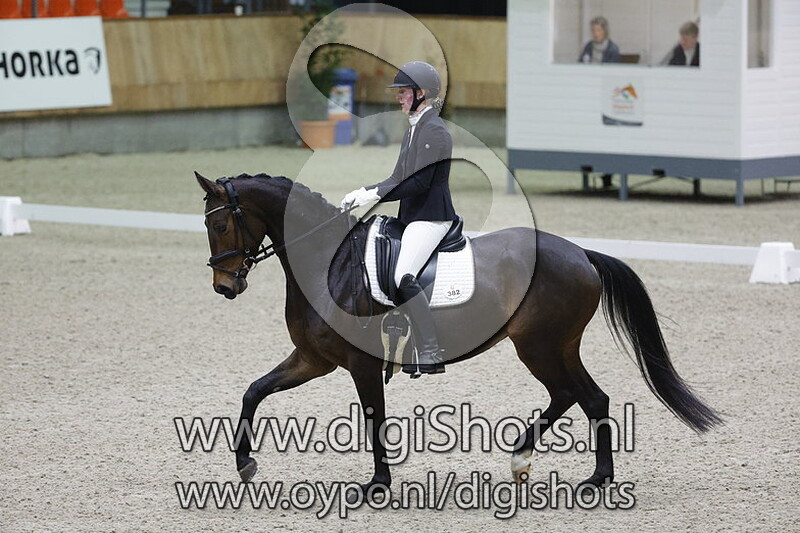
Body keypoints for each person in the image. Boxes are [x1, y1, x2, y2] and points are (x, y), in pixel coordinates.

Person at [340, 61, 456, 376]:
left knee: (403, 275)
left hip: (431, 217)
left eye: (404, 92)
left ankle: (430, 350)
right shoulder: (414, 129)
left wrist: (376, 196)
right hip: (413, 215)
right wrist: (365, 191)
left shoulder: (434, 131)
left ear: (422, 93)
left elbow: (419, 182)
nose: (398, 97)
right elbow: (397, 177)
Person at [579, 16, 619, 187]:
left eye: (598, 30)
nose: (595, 34)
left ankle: (608, 175)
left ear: (605, 31)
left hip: (606, 97)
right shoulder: (588, 47)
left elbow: (613, 73)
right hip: (589, 94)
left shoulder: (612, 49)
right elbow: (580, 65)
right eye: (593, 30)